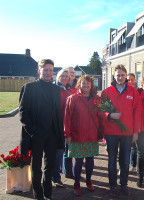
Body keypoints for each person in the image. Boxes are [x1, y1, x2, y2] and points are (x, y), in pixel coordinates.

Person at [19, 59, 64, 200]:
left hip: (52, 135)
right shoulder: (29, 87)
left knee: (49, 166)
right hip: (36, 135)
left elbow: (58, 113)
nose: (48, 73)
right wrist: (33, 131)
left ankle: (48, 194)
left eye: (50, 70)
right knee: (36, 168)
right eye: (45, 70)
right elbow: (23, 112)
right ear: (39, 71)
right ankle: (38, 195)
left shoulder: (57, 89)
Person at [101, 64, 141, 198]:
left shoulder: (133, 91)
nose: (120, 77)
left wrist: (136, 132)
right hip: (111, 132)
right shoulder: (107, 92)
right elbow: (101, 111)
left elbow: (137, 112)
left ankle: (124, 185)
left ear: (126, 76)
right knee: (111, 161)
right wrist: (109, 115)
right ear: (114, 75)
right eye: (118, 75)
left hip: (127, 133)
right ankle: (112, 186)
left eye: (123, 75)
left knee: (124, 162)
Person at [64, 75, 100, 196]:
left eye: (88, 83)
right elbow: (67, 118)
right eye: (83, 83)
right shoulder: (72, 98)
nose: (86, 86)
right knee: (78, 161)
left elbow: (101, 116)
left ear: (91, 85)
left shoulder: (96, 99)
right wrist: (67, 134)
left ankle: (89, 181)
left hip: (91, 135)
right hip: (77, 135)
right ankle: (77, 183)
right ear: (79, 84)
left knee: (90, 160)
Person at [52, 69, 73, 187]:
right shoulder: (54, 89)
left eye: (66, 76)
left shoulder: (69, 90)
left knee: (64, 152)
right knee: (58, 152)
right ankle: (55, 177)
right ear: (58, 77)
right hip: (56, 126)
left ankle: (60, 173)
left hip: (67, 126)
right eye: (62, 76)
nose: (64, 78)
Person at [127, 73, 138, 173]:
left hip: (135, 123)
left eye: (132, 80)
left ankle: (133, 165)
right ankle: (124, 166)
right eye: (128, 80)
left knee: (134, 146)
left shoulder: (139, 91)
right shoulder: (124, 90)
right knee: (124, 147)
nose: (130, 82)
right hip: (125, 124)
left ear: (135, 80)